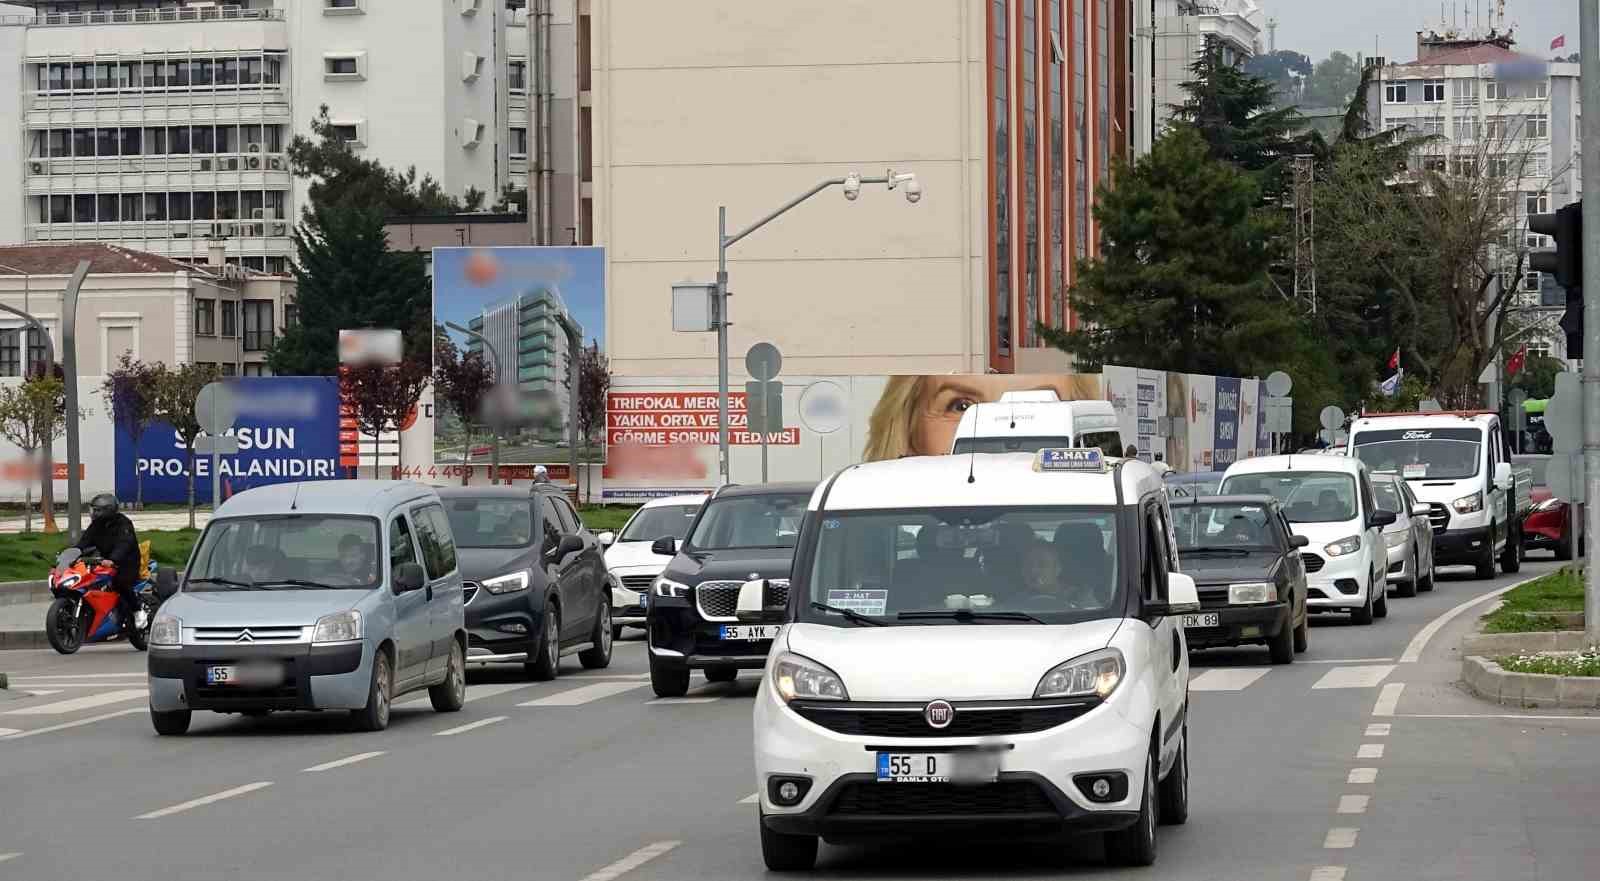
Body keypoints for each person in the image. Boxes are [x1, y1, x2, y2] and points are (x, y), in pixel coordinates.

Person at [74, 493, 141, 625]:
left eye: (97, 510)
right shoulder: (97, 525)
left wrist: (113, 559)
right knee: (89, 582)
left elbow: (124, 543)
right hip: (105, 562)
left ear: (108, 510)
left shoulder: (124, 524)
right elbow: (85, 541)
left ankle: (137, 611)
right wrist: (73, 552)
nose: (94, 513)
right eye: (94, 509)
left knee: (120, 583)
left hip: (126, 563)